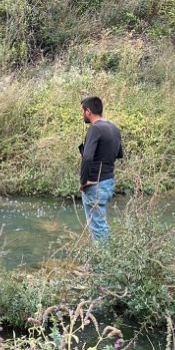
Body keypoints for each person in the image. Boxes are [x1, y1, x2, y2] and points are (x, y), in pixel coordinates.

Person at [78, 96, 123, 242]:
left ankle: (103, 264)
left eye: (82, 111)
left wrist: (83, 181)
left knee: (98, 227)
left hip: (95, 184)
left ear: (88, 111)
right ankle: (102, 260)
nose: (82, 114)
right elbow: (118, 154)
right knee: (100, 224)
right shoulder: (114, 128)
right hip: (109, 181)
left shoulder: (95, 128)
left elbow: (87, 158)